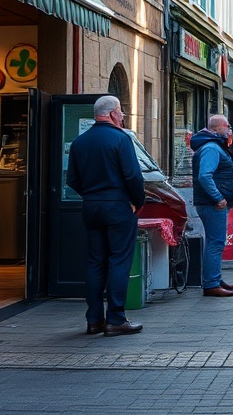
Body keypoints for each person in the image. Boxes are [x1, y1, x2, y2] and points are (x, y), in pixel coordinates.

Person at [66, 95, 146, 336]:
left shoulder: (80, 142)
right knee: (119, 260)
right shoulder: (121, 139)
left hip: (92, 207)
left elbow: (72, 180)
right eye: (121, 112)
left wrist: (91, 196)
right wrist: (136, 202)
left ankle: (93, 320)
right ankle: (116, 318)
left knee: (95, 261)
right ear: (112, 113)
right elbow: (133, 176)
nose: (122, 116)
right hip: (119, 206)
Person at [190, 114, 233, 297]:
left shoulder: (213, 146)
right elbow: (205, 175)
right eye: (226, 126)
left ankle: (215, 278)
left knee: (215, 241)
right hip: (212, 204)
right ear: (215, 129)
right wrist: (218, 197)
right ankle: (211, 283)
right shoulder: (211, 147)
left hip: (211, 202)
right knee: (216, 242)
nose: (229, 129)